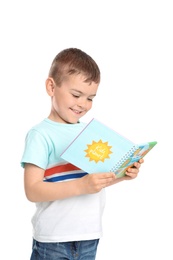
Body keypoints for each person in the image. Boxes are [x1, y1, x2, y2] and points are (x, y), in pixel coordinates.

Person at [21, 48, 144, 260]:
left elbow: (93, 181)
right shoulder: (40, 134)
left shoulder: (90, 133)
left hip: (89, 236)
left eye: (90, 98)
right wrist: (81, 186)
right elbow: (32, 190)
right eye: (76, 95)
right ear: (51, 86)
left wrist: (123, 174)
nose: (83, 104)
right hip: (53, 240)